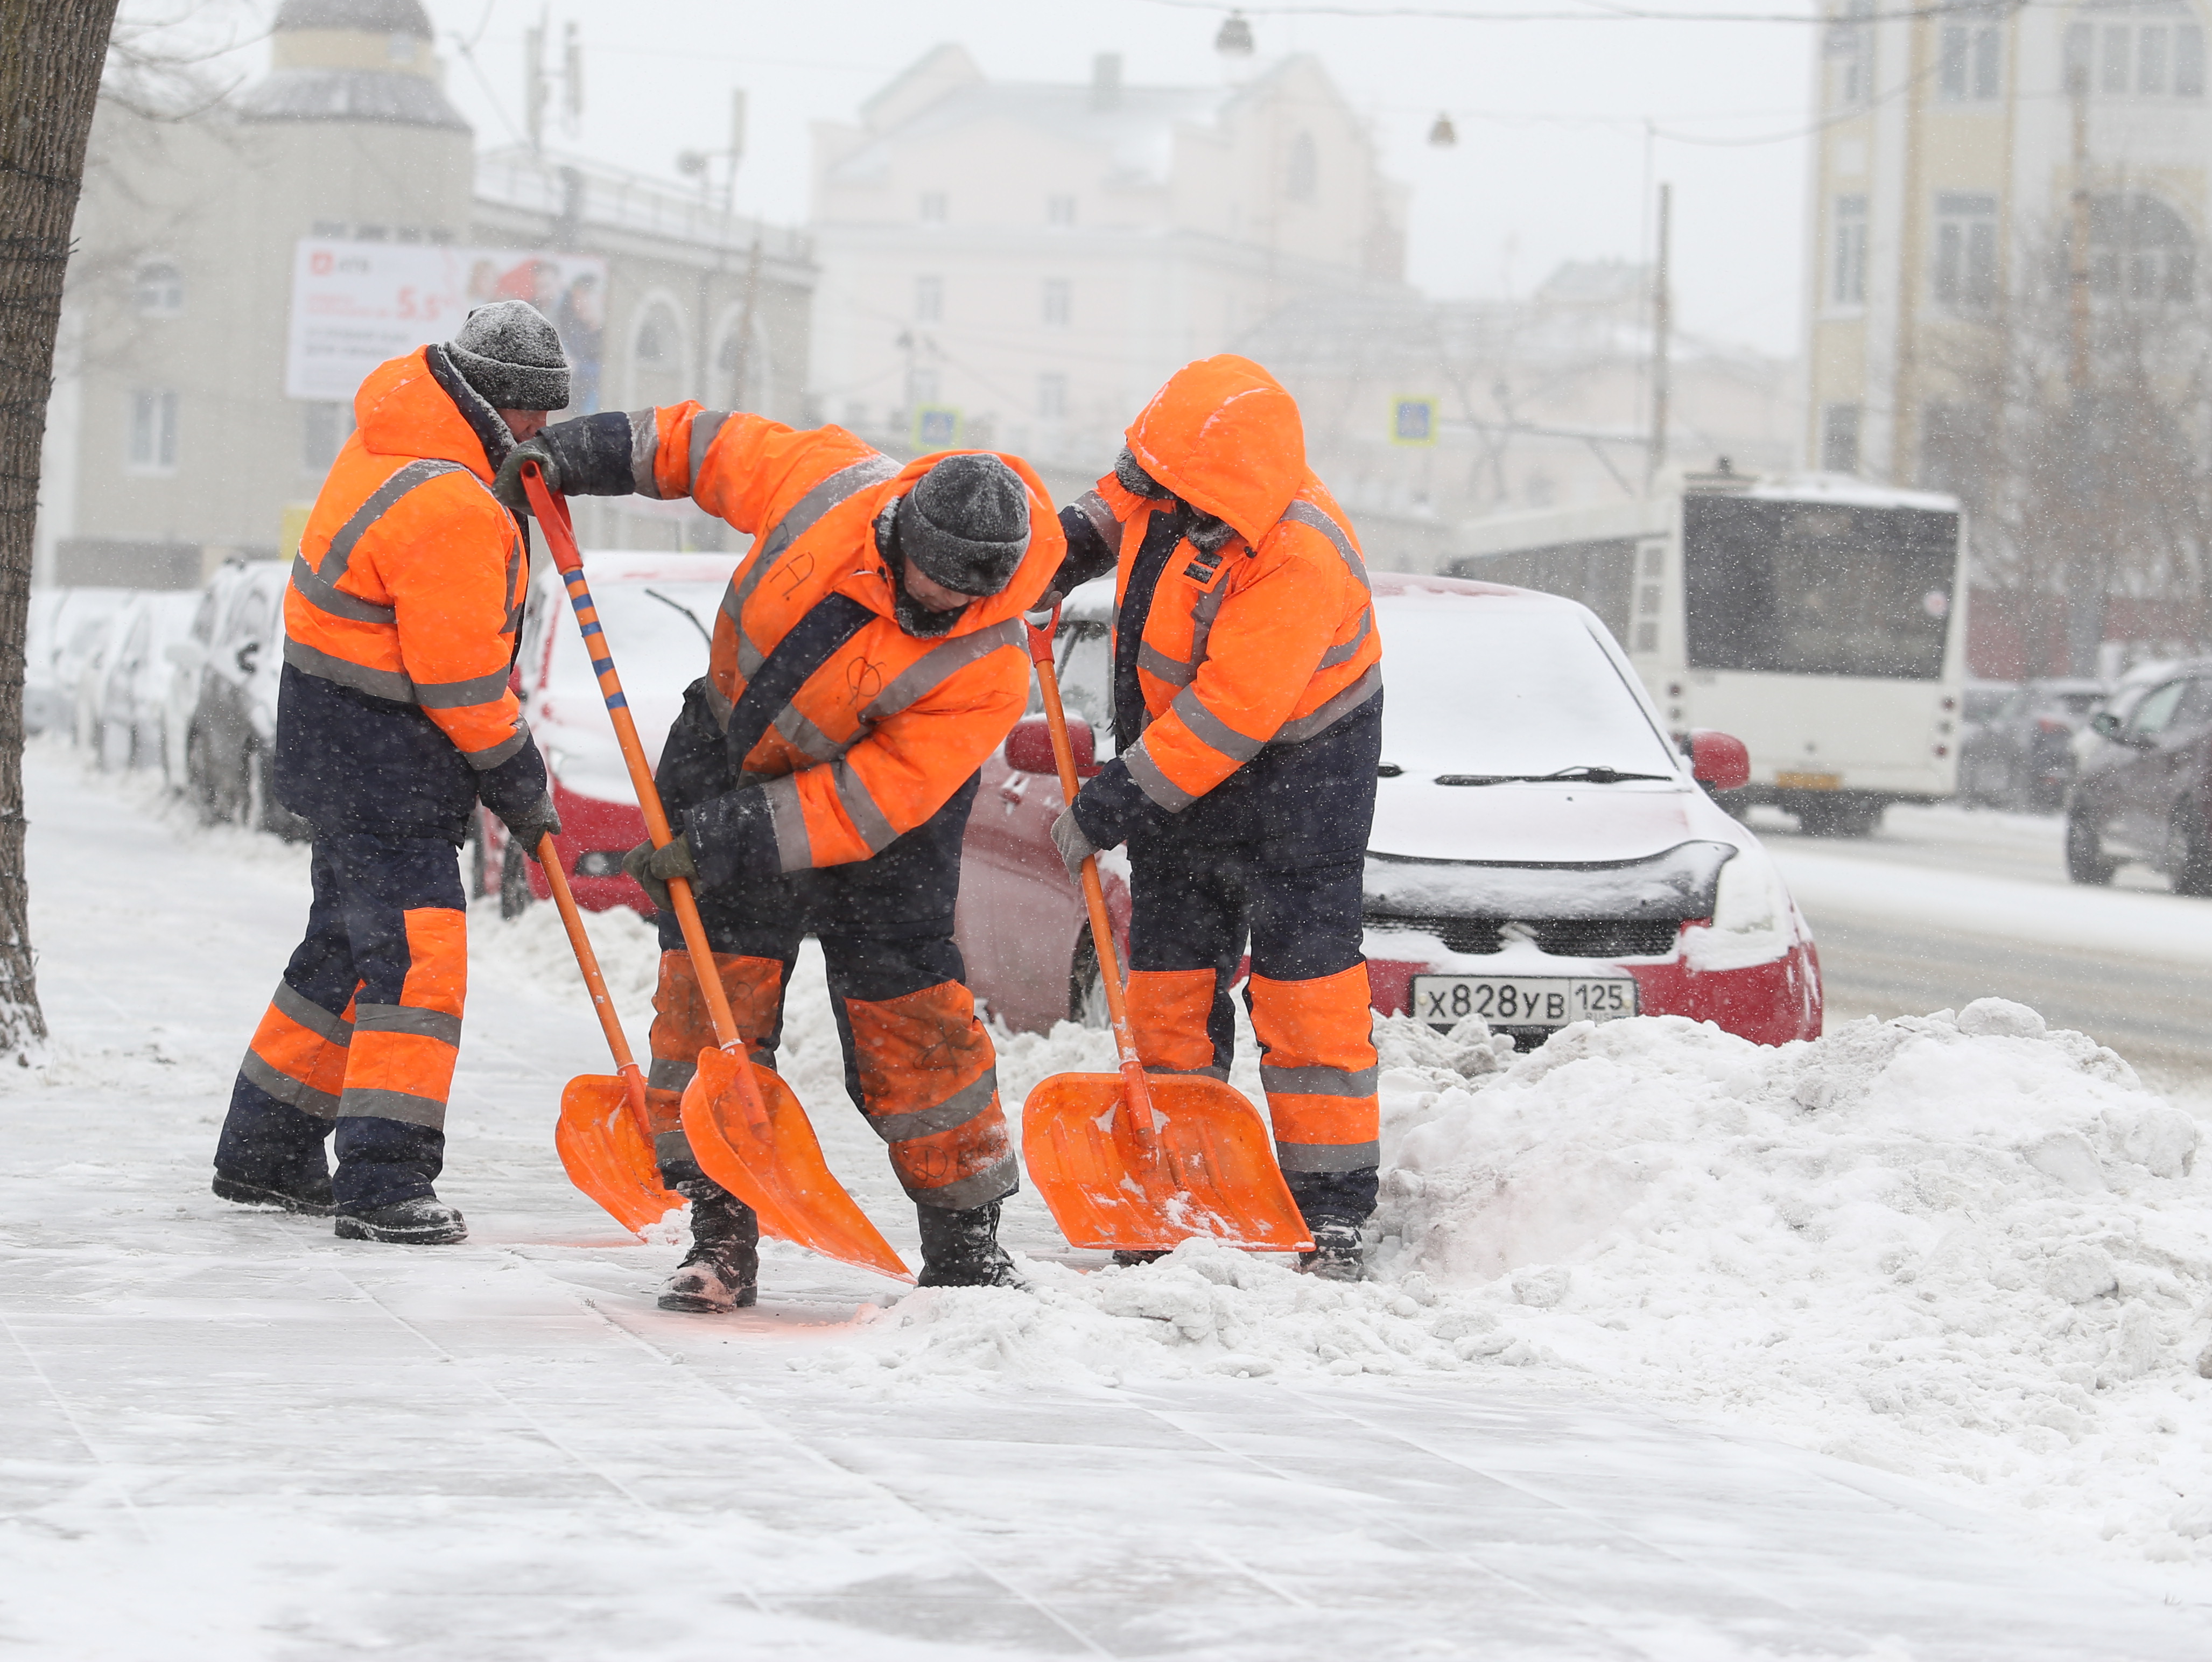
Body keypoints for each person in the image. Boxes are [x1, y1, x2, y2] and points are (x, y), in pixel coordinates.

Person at [505, 403, 1063, 1310]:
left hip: (889, 830)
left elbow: (869, 799)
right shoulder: (833, 484)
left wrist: (723, 838)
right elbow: (701, 447)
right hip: (726, 747)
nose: (944, 606)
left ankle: (965, 1245)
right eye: (930, 583)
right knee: (712, 1001)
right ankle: (720, 1235)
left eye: (966, 595)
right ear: (900, 531)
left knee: (912, 1017)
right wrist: (580, 454)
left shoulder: (992, 659)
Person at [208, 300, 570, 1246]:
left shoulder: (391, 443)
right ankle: (384, 1182)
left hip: (339, 752)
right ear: (500, 404)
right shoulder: (450, 502)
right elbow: (463, 684)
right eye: (536, 414)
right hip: (387, 767)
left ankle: (264, 1153)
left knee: (339, 958)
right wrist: (521, 784)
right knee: (417, 966)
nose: (543, 433)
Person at [1042, 355, 1384, 1280]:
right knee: (1169, 986)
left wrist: (1109, 803)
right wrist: (1057, 559)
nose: (1160, 500)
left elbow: (1226, 717)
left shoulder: (1299, 555)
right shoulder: (1176, 473)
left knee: (1305, 993)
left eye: (1181, 494)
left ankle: (1330, 1210)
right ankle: (1180, 1177)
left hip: (1302, 779)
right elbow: (1108, 505)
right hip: (1179, 764)